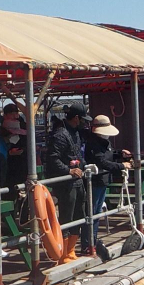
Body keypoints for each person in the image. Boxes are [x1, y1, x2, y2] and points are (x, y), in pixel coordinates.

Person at [45, 102, 91, 263]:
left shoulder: (75, 133)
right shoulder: (60, 134)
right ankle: (62, 253)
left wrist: (85, 165)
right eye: (83, 119)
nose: (85, 123)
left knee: (79, 214)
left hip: (77, 181)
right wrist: (68, 170)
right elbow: (52, 158)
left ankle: (71, 251)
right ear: (76, 118)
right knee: (67, 216)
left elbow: (77, 155)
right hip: (66, 183)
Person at [82, 115, 131, 256]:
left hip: (103, 180)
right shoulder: (93, 144)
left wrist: (119, 154)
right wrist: (121, 165)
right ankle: (88, 243)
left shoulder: (104, 142)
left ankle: (93, 240)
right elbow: (102, 162)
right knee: (92, 213)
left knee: (96, 212)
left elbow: (108, 155)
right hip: (95, 181)